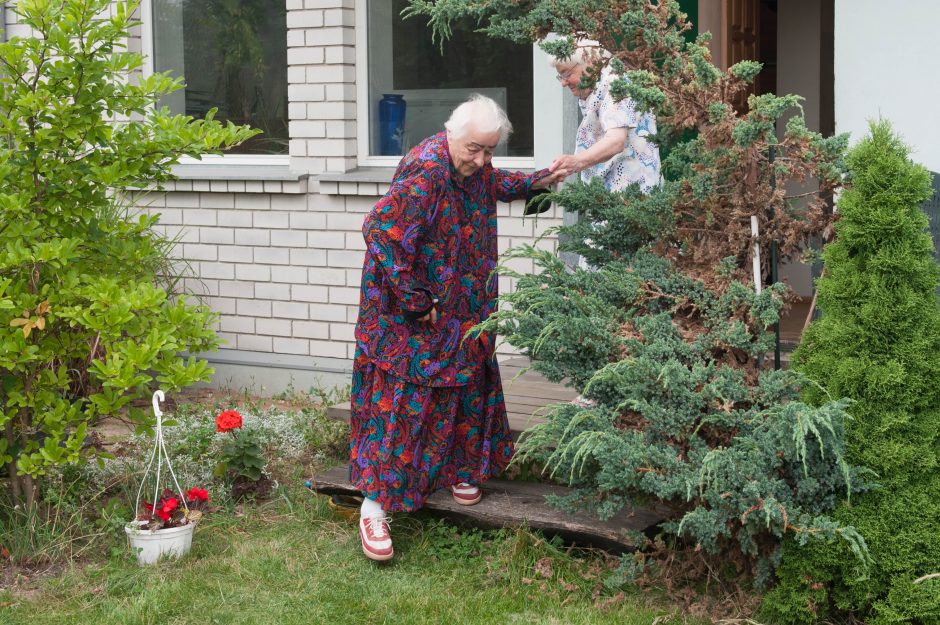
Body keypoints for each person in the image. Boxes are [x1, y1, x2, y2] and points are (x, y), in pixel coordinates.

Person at [350, 94, 564, 561]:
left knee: (467, 380)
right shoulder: (427, 172)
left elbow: (495, 182)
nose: (482, 160)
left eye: (489, 150)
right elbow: (380, 230)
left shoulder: (473, 164)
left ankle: (460, 469)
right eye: (474, 149)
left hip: (460, 303)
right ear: (451, 135)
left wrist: (540, 180)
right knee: (406, 402)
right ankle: (374, 507)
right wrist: (413, 299)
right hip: (414, 313)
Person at [548, 40, 661, 193]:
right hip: (613, 196)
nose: (563, 83)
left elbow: (615, 141)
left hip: (629, 196)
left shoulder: (615, 84)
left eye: (567, 74)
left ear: (591, 62)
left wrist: (576, 161)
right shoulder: (595, 89)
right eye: (560, 76)